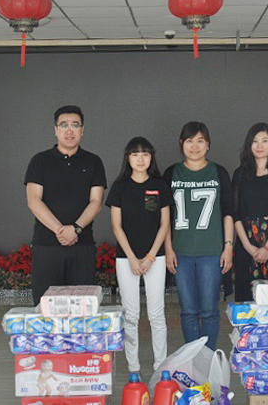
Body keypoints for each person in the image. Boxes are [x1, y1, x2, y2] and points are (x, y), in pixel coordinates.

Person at [25, 105, 107, 306]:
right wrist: (61, 231)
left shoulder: (93, 162)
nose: (70, 130)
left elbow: (96, 202)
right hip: (46, 247)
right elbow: (34, 201)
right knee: (45, 310)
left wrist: (76, 229)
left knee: (82, 311)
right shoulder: (40, 161)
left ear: (82, 130)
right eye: (64, 125)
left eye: (75, 125)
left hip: (82, 247)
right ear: (56, 130)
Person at [164, 121, 234, 351]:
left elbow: (228, 212)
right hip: (181, 252)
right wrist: (168, 249)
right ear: (181, 143)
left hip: (211, 252)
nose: (195, 146)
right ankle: (193, 358)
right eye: (189, 141)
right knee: (188, 311)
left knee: (210, 311)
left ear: (208, 144)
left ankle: (208, 357)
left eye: (200, 141)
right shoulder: (171, 173)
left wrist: (228, 246)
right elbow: (164, 216)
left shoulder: (219, 172)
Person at [106, 137, 172, 377]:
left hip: (156, 257)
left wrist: (151, 256)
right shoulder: (119, 187)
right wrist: (133, 259)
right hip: (127, 259)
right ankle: (134, 368)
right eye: (135, 154)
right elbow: (116, 226)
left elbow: (165, 224)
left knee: (157, 315)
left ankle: (160, 367)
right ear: (128, 158)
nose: (140, 159)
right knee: (131, 315)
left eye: (145, 154)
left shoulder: (159, 185)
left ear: (151, 157)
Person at [232, 122, 268, 302]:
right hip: (247, 243)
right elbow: (235, 213)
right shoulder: (239, 174)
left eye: (264, 140)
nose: (259, 146)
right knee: (246, 299)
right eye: (255, 141)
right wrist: (248, 246)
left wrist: (267, 247)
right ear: (249, 144)